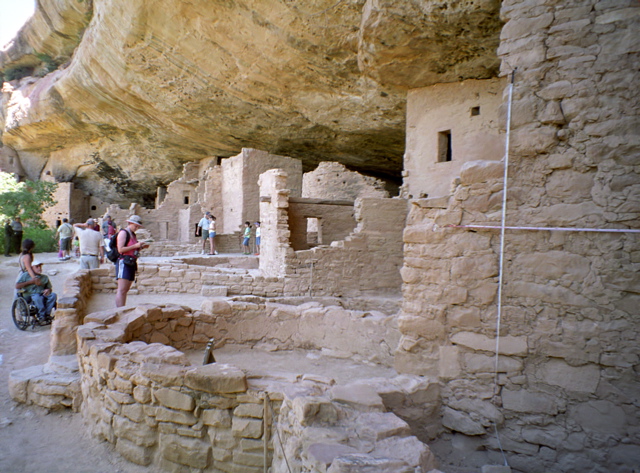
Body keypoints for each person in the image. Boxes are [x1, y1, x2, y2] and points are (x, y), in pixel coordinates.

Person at [115, 215, 149, 307]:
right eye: (136, 226)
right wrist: (136, 246)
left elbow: (132, 250)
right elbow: (121, 249)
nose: (137, 228)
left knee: (125, 289)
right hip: (124, 262)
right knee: (121, 289)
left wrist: (141, 247)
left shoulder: (133, 234)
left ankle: (122, 308)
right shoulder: (123, 233)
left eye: (138, 226)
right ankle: (119, 310)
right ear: (130, 223)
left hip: (131, 262)